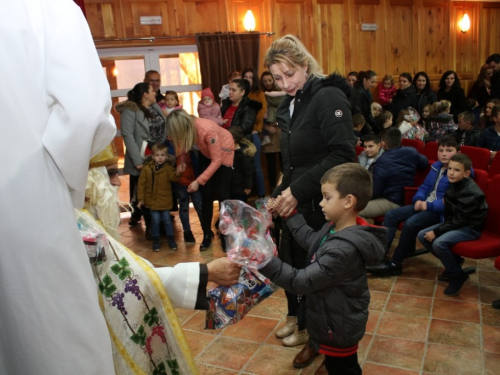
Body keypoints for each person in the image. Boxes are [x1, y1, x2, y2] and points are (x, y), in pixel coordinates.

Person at [0, 0, 117, 373]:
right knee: (53, 340)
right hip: (26, 205)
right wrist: (64, 184)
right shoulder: (45, 7)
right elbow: (83, 112)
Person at [83, 144, 242, 374]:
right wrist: (206, 272)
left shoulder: (86, 223)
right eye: (111, 174)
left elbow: (122, 267)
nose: (118, 182)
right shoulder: (83, 234)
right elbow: (124, 280)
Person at [264, 34, 355, 370]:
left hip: (320, 202)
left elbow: (343, 153)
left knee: (316, 276)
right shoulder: (294, 100)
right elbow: (293, 162)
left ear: (305, 64)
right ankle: (300, 321)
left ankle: (318, 338)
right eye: (277, 77)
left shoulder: (327, 95)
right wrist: (279, 195)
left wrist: (297, 190)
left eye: (290, 74)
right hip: (298, 197)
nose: (285, 83)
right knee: (293, 262)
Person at [263, 164, 386, 375]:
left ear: (348, 201)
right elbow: (311, 240)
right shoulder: (335, 228)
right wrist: (291, 215)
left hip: (338, 326)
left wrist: (263, 260)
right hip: (331, 318)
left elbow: (301, 281)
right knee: (340, 365)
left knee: (345, 369)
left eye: (327, 198)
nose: (321, 203)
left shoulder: (343, 250)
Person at [368, 135, 459, 277]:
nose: (444, 154)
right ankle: (379, 256)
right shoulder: (436, 167)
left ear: (458, 153)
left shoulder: (458, 173)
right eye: (441, 150)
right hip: (424, 205)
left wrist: (427, 205)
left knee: (411, 223)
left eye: (449, 150)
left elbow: (448, 202)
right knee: (391, 215)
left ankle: (395, 264)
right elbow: (424, 187)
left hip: (440, 212)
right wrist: (418, 198)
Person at [418, 153, 488, 296]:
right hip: (455, 223)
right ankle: (454, 263)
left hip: (469, 228)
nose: (451, 172)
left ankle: (458, 276)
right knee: (422, 235)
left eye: (456, 170)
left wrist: (437, 231)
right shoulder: (454, 184)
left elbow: (461, 220)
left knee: (439, 243)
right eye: (449, 169)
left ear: (466, 173)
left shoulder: (470, 191)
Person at [166, 110, 235, 251]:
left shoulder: (206, 130)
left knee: (223, 195)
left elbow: (217, 161)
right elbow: (186, 148)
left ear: (181, 126)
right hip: (206, 152)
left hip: (224, 152)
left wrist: (198, 181)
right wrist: (183, 162)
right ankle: (207, 235)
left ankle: (225, 235)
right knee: (206, 195)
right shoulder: (187, 129)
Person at [116, 82, 167, 238]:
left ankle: (160, 225)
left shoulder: (155, 107)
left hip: (159, 154)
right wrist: (137, 160)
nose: (155, 93)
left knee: (158, 190)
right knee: (145, 192)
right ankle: (151, 227)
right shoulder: (130, 110)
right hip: (143, 156)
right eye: (152, 91)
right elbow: (128, 135)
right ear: (145, 94)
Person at [358, 128, 429, 219]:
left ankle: (365, 233)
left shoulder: (382, 161)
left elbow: (376, 191)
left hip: (391, 200)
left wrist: (360, 199)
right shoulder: (412, 151)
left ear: (383, 144)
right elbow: (425, 163)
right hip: (405, 197)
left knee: (353, 211)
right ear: (400, 140)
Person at [137, 143, 184, 251]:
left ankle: (171, 239)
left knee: (167, 220)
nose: (160, 158)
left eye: (163, 155)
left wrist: (178, 173)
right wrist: (140, 200)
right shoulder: (147, 169)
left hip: (164, 200)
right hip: (152, 201)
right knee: (155, 220)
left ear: (166, 157)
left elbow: (174, 178)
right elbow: (141, 185)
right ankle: (156, 240)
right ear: (153, 157)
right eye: (157, 155)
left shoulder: (168, 169)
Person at [242, 67, 268, 197]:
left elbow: (260, 116)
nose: (248, 80)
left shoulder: (259, 94)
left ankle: (262, 196)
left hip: (253, 134)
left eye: (250, 77)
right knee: (242, 167)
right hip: (240, 136)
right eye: (245, 77)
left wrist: (248, 116)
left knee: (256, 167)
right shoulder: (240, 93)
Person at [261, 71, 285, 189]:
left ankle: (285, 189)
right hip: (267, 133)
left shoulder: (282, 92)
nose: (267, 83)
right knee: (271, 165)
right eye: (265, 81)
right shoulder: (260, 95)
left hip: (281, 130)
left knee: (284, 162)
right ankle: (272, 192)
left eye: (269, 80)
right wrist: (266, 127)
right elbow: (258, 116)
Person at [227, 126, 256, 202]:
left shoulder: (243, 154)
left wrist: (248, 186)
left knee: (241, 207)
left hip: (241, 188)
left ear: (234, 139)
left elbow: (248, 171)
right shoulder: (229, 151)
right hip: (232, 186)